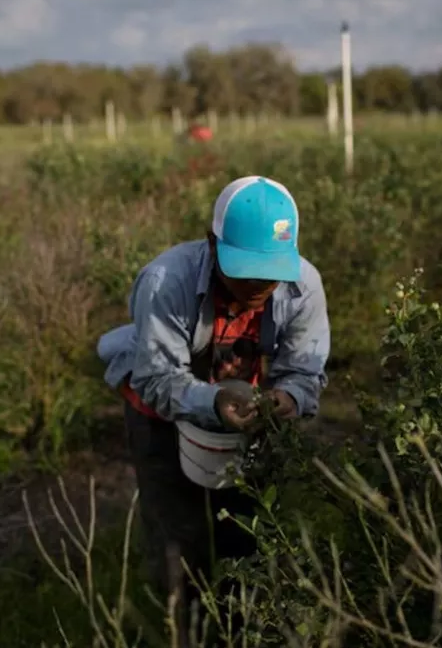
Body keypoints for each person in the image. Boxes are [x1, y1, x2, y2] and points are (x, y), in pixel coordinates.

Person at [96, 175, 330, 636]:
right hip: (159, 412)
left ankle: (241, 631)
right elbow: (157, 378)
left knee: (249, 535)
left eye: (272, 269)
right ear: (212, 243)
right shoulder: (166, 282)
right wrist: (214, 399)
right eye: (247, 269)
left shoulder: (303, 286)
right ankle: (186, 630)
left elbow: (304, 371)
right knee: (178, 543)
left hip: (244, 417)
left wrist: (286, 400)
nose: (261, 282)